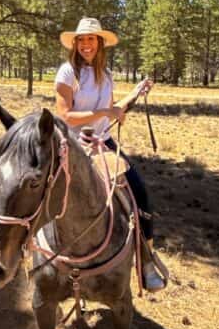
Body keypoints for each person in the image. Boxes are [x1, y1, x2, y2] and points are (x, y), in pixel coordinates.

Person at [54, 16, 167, 292]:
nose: (86, 45)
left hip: (103, 143)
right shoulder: (67, 72)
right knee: (41, 193)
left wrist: (135, 94)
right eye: (81, 40)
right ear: (76, 43)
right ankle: (28, 253)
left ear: (100, 42)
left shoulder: (106, 76)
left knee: (139, 194)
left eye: (91, 39)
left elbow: (112, 108)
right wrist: (105, 112)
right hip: (73, 144)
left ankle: (146, 261)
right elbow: (65, 114)